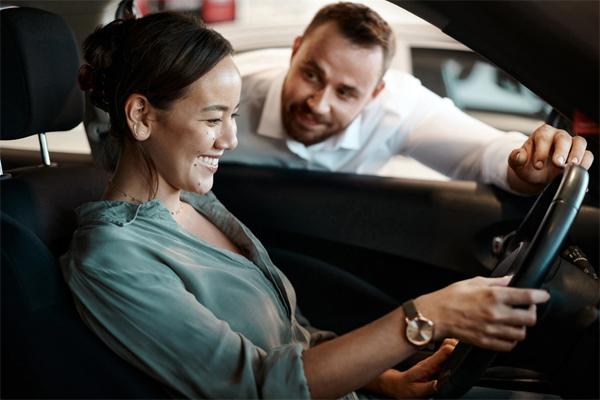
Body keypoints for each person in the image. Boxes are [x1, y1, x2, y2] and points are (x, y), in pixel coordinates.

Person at [61, 11, 553, 399]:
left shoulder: (195, 204)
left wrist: (384, 381)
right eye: (214, 119)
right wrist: (424, 318)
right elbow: (255, 386)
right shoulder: (112, 258)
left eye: (234, 116)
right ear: (141, 115)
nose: (231, 139)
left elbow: (288, 338)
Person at [221, 2, 593, 195]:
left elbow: (481, 154)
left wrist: (526, 161)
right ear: (295, 52)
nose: (318, 103)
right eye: (311, 75)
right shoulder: (224, 92)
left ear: (375, 94)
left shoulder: (397, 106)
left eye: (346, 92)